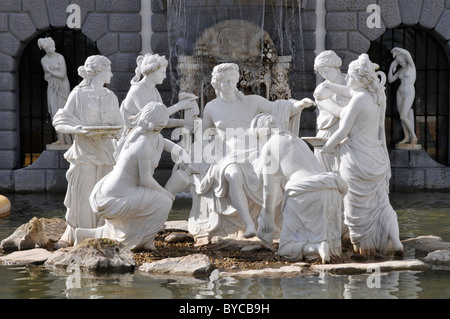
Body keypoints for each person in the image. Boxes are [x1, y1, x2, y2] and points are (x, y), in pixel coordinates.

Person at [191, 63, 315, 240]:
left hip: (256, 151)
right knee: (233, 174)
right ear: (217, 84)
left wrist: (299, 106)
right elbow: (202, 135)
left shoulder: (252, 101)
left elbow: (278, 108)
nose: (230, 85)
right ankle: (249, 224)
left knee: (274, 172)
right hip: (229, 155)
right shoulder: (212, 107)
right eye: (225, 81)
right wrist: (204, 153)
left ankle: (280, 220)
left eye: (233, 80)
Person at [317, 54, 403, 257]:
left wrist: (325, 148)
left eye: (350, 77)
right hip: (376, 158)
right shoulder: (376, 96)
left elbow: (342, 132)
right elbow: (350, 90)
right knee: (381, 205)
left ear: (359, 79)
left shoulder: (356, 101)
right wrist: (330, 88)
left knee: (355, 208)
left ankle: (365, 251)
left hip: (356, 160)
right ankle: (396, 244)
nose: (346, 79)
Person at [74, 102, 191, 251]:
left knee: (149, 202)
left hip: (120, 190)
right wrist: (166, 193)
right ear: (161, 124)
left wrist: (183, 155)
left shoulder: (151, 137)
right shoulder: (143, 145)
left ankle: (84, 234)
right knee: (164, 202)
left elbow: (167, 144)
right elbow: (146, 179)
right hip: (113, 199)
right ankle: (145, 242)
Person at [250, 113, 347, 263]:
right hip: (331, 189)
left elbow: (269, 191)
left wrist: (267, 217)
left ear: (261, 133)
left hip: (305, 193)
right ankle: (325, 247)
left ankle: (317, 248)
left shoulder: (269, 147)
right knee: (322, 235)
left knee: (286, 248)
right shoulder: (295, 139)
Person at [53, 55, 123, 248]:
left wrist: (116, 133)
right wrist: (77, 130)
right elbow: (60, 120)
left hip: (106, 152)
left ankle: (104, 232)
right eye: (108, 70)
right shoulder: (78, 94)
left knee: (105, 193)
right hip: (84, 151)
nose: (111, 73)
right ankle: (82, 236)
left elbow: (119, 124)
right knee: (84, 194)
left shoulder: (111, 97)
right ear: (98, 72)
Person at [120, 53, 198, 136]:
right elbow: (156, 117)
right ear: (152, 71)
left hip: (147, 137)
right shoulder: (137, 90)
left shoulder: (154, 91)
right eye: (162, 72)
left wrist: (186, 122)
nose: (165, 76)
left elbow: (162, 120)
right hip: (132, 140)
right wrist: (180, 106)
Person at [313, 50, 349, 172]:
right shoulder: (321, 91)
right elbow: (339, 112)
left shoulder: (351, 82)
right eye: (320, 72)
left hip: (350, 136)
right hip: (329, 135)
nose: (323, 75)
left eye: (326, 70)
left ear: (335, 65)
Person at [38, 37, 71, 145]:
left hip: (62, 86)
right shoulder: (43, 60)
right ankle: (60, 138)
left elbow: (62, 75)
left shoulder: (59, 57)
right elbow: (46, 76)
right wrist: (49, 72)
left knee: (63, 111)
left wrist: (50, 71)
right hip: (52, 86)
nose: (54, 47)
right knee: (54, 112)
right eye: (51, 46)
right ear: (46, 49)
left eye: (53, 45)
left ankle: (68, 139)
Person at [388, 47, 418, 145]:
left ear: (404, 58)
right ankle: (406, 137)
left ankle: (413, 136)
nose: (401, 63)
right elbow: (390, 79)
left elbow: (408, 53)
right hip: (400, 93)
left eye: (401, 60)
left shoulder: (411, 67)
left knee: (403, 116)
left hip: (409, 92)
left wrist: (397, 49)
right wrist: (391, 66)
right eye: (398, 62)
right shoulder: (400, 70)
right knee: (402, 116)